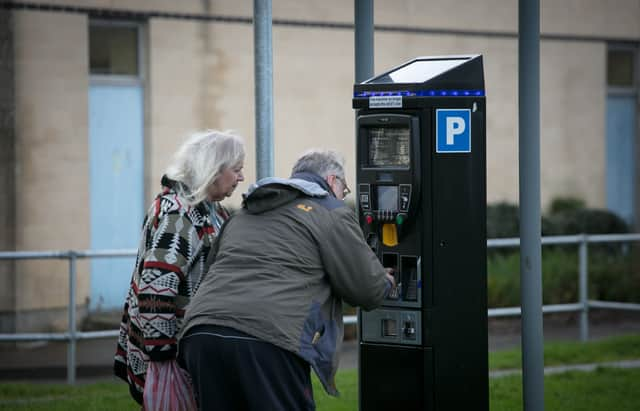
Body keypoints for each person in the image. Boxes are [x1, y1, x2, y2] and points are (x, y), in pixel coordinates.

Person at [178, 149, 395, 410]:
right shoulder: (330, 212)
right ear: (333, 181)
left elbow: (212, 272)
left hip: (201, 334)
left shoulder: (243, 214)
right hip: (267, 338)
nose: (341, 196)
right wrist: (386, 281)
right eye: (344, 190)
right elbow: (367, 290)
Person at [114, 129, 245, 407]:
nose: (241, 178)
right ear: (213, 169)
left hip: (191, 347)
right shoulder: (179, 212)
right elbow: (155, 286)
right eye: (236, 170)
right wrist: (164, 358)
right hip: (174, 353)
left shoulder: (211, 209)